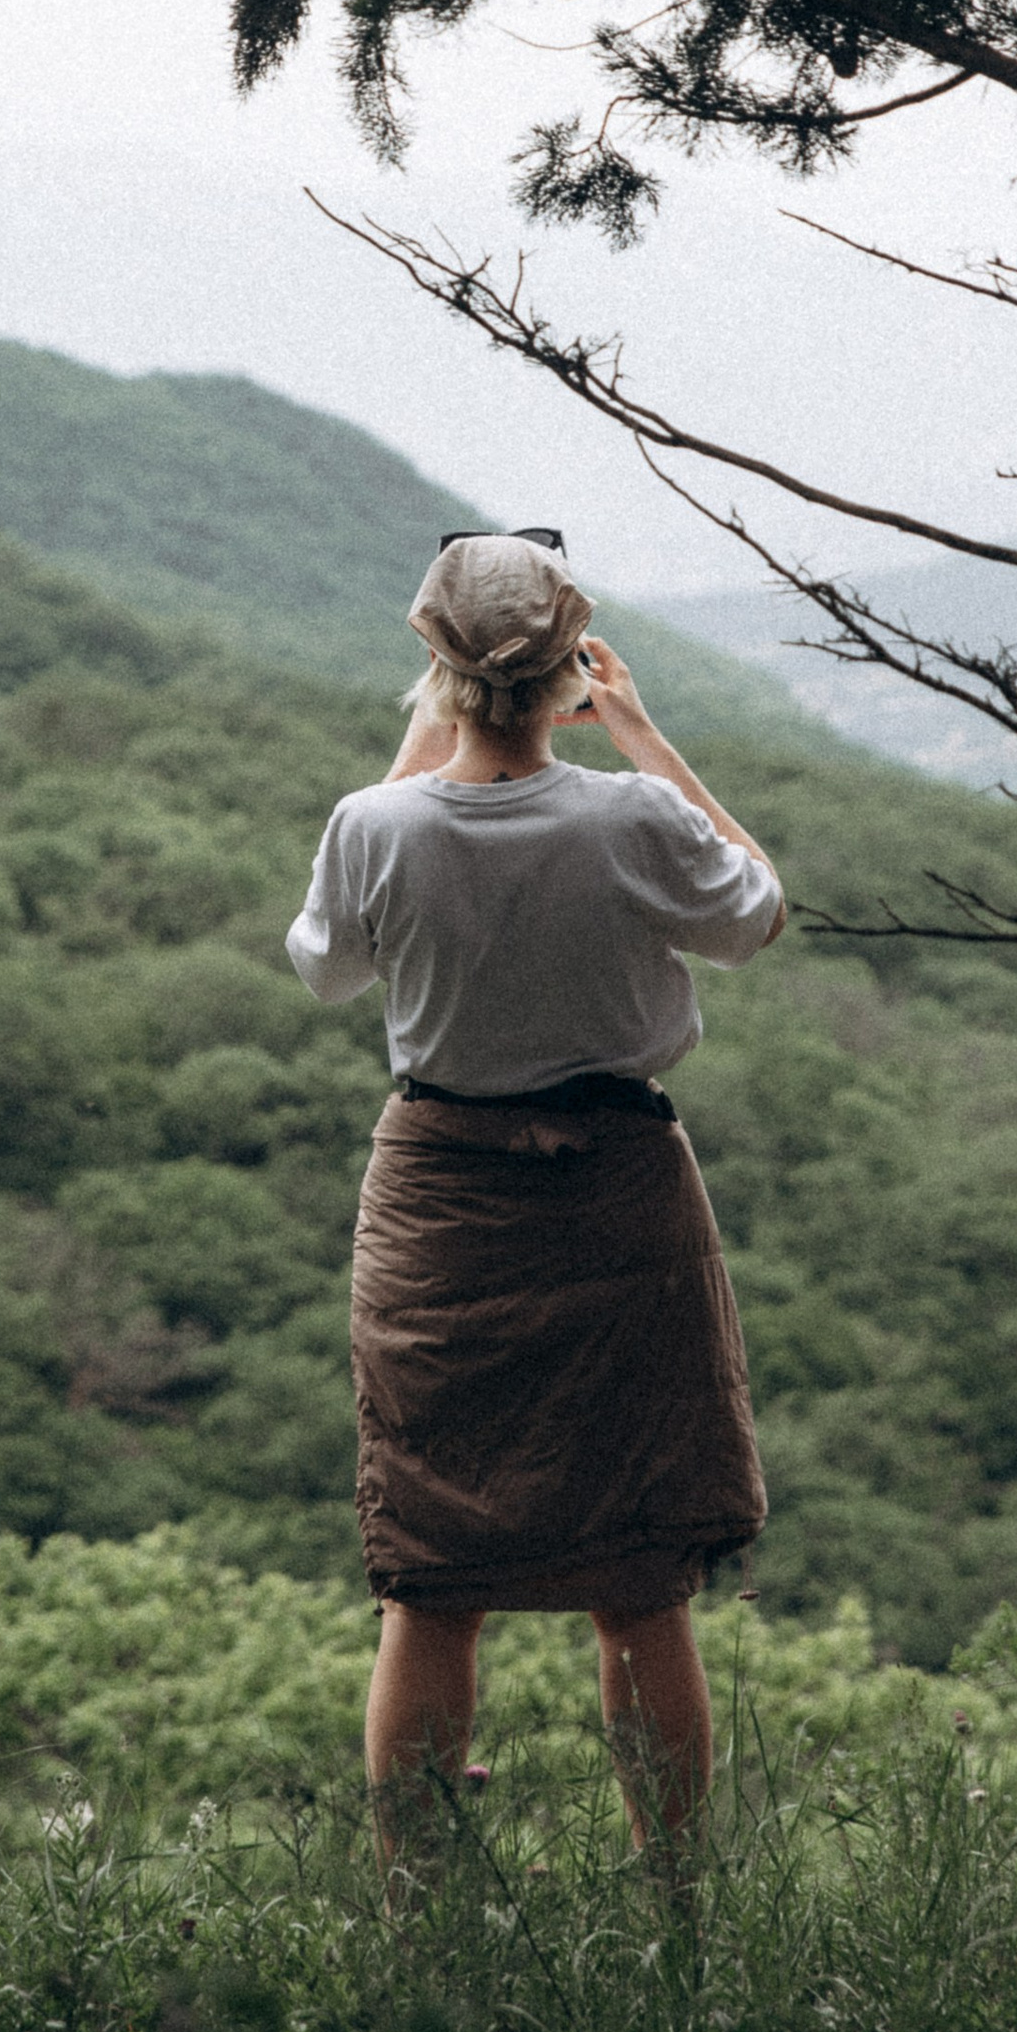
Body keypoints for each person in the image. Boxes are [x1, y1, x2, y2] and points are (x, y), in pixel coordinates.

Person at [286, 530, 783, 1859]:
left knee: (432, 1582)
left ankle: (418, 1915)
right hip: (619, 1195)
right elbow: (757, 914)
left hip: (439, 1203)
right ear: (572, 666)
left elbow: (327, 966)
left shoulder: (372, 826)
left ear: (435, 670)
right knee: (641, 1581)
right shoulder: (629, 818)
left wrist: (414, 750)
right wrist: (647, 740)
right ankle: (675, 1899)